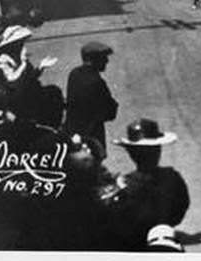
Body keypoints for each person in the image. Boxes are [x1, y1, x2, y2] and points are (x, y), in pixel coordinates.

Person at [103, 118, 190, 251]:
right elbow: (181, 207)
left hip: (133, 245)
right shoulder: (173, 178)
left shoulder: (124, 186)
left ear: (131, 154)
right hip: (163, 236)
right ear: (158, 151)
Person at [65, 41, 119, 159]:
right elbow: (111, 112)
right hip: (92, 137)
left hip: (72, 133)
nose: (106, 61)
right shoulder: (96, 82)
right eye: (103, 57)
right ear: (93, 59)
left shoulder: (74, 74)